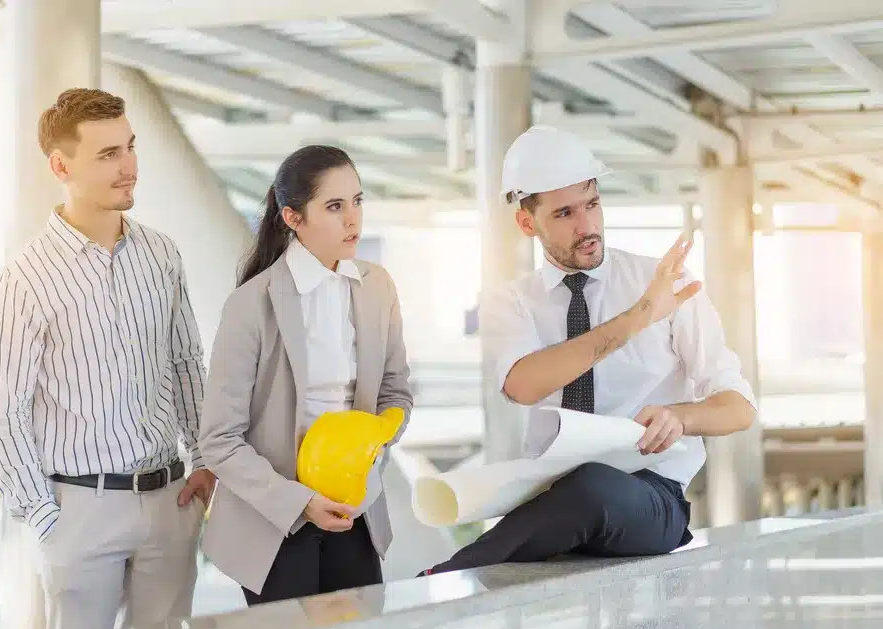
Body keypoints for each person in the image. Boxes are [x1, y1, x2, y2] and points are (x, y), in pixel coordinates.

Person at [419, 125, 758, 576]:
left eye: (592, 204)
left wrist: (680, 417)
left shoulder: (666, 283)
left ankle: (443, 580)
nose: (586, 226)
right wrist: (639, 317)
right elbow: (523, 384)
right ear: (527, 223)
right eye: (563, 214)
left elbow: (739, 407)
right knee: (573, 490)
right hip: (551, 498)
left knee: (591, 485)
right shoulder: (512, 302)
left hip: (650, 498)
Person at [0, 88, 215, 629]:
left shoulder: (162, 255)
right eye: (108, 154)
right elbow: (3, 415)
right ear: (61, 165)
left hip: (170, 500)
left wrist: (204, 457)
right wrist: (45, 518)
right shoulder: (26, 278)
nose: (129, 166)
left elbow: (185, 364)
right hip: (80, 510)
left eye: (129, 147)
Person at [196, 145, 413, 604]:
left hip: (355, 510)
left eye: (357, 200)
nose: (353, 219)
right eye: (334, 207)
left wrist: (372, 451)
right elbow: (219, 439)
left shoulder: (378, 288)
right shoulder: (251, 305)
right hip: (273, 523)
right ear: (293, 218)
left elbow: (395, 393)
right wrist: (300, 502)